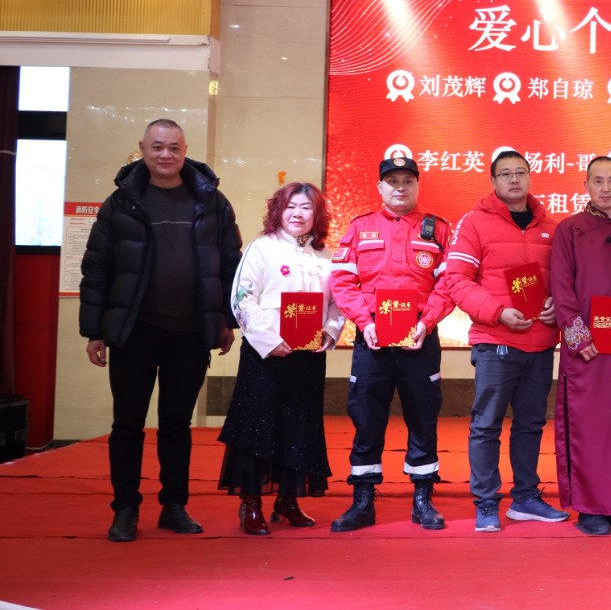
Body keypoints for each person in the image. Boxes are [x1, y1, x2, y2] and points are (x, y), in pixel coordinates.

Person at [79, 118, 242, 542]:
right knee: (127, 423)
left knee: (176, 423)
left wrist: (226, 320)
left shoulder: (211, 201)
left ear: (185, 150)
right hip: (134, 330)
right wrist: (94, 331)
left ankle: (174, 505)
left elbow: (231, 265)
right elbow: (97, 268)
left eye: (173, 147)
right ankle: (125, 508)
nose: (165, 154)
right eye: (157, 147)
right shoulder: (121, 202)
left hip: (190, 333)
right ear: (143, 148)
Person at [327, 156, 455, 532]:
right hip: (372, 340)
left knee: (423, 418)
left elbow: (449, 283)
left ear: (417, 186)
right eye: (392, 181)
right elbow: (342, 281)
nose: (400, 187)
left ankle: (423, 500)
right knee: (366, 418)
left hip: (419, 339)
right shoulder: (360, 227)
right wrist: (364, 322)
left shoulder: (438, 229)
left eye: (407, 181)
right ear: (380, 187)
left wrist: (427, 322)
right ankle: (363, 501)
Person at [445, 150, 567, 533]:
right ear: (493, 181)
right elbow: (456, 280)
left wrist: (557, 306)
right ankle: (486, 502)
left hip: (540, 343)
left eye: (520, 173)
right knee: (486, 425)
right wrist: (498, 313)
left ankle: (526, 498)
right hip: (496, 341)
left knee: (531, 424)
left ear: (530, 177)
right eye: (505, 174)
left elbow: (564, 282)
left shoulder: (552, 227)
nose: (514, 179)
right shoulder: (474, 223)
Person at [220, 182, 345, 535]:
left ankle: (288, 500)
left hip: (307, 357)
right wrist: (269, 340)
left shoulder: (326, 256)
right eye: (290, 206)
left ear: (317, 214)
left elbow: (337, 303)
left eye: (306, 207)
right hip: (266, 355)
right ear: (279, 210)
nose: (297, 214)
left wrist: (330, 331)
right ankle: (251, 503)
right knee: (258, 426)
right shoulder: (262, 248)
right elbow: (242, 299)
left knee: (300, 427)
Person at [549, 156, 611, 536]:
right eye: (598, 181)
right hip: (585, 349)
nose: (605, 188)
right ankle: (590, 507)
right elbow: (561, 287)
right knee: (586, 426)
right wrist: (577, 336)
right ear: (586, 186)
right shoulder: (569, 230)